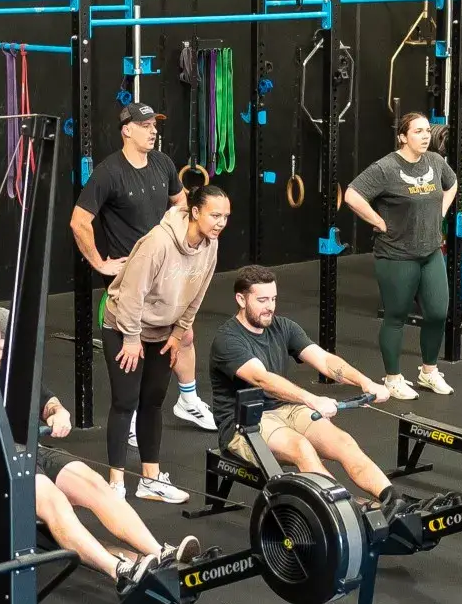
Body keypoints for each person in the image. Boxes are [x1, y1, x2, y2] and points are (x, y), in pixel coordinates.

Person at [0, 306, 195, 591]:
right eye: (4, 342)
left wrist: (58, 413)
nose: (12, 348)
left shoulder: (16, 373)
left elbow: (48, 402)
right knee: (54, 500)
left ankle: (159, 552)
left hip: (33, 452)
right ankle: (119, 570)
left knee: (96, 485)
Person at [70, 102, 218, 433]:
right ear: (127, 130)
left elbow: (181, 204)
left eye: (155, 125)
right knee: (133, 347)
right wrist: (100, 263)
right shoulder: (109, 172)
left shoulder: (163, 163)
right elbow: (80, 221)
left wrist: (184, 245)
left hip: (167, 269)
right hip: (133, 277)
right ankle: (132, 416)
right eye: (146, 125)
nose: (153, 131)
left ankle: (188, 400)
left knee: (183, 333)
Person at [207, 266, 397, 503]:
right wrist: (312, 399)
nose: (270, 307)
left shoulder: (283, 326)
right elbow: (261, 379)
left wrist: (365, 382)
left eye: (274, 299)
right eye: (262, 300)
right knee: (302, 447)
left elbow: (325, 360)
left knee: (343, 442)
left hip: (285, 410)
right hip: (243, 424)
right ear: (241, 299)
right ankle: (347, 512)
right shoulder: (228, 339)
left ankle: (393, 501)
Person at [103, 183, 230, 505]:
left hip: (162, 331)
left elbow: (196, 295)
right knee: (125, 400)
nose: (220, 223)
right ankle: (115, 483)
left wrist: (177, 334)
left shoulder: (210, 246)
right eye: (215, 215)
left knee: (153, 401)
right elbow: (132, 293)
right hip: (123, 326)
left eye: (226, 217)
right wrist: (131, 339)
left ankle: (150, 479)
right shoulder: (158, 242)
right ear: (196, 211)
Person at [342, 112, 461, 399]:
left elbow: (453, 182)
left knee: (437, 313)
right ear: (402, 137)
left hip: (430, 252)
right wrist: (378, 221)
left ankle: (429, 372)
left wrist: (441, 211)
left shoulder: (434, 161)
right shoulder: (386, 168)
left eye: (426, 132)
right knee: (396, 317)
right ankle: (393, 378)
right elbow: (352, 195)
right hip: (396, 255)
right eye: (417, 131)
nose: (424, 136)